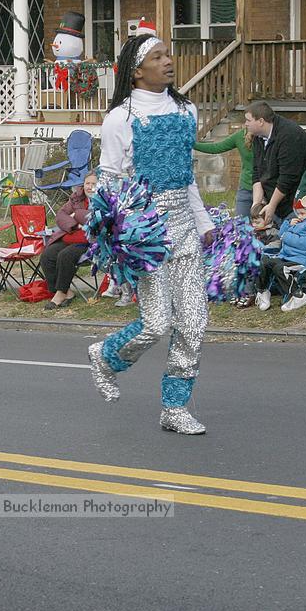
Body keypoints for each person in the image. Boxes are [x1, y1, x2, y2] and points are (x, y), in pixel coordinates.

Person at [87, 34, 214, 435]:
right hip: (147, 234)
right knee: (156, 323)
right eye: (157, 57)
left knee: (194, 323)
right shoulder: (119, 119)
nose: (168, 61)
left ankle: (174, 408)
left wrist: (204, 223)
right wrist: (116, 236)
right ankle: (106, 355)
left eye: (168, 54)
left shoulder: (185, 109)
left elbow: (185, 175)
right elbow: (109, 182)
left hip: (186, 230)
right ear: (136, 70)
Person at [254, 173, 306, 313]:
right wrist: (288, 225)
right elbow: (280, 235)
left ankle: (298, 294)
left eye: (302, 213)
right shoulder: (295, 222)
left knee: (280, 267)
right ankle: (263, 291)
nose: (299, 216)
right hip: (287, 256)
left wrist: (288, 235)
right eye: (298, 213)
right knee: (263, 262)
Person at [246, 101, 306, 227]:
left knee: (296, 237)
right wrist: (257, 205)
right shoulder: (258, 136)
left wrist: (272, 205)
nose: (245, 124)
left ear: (261, 121)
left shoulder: (289, 135)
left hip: (305, 196)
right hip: (282, 196)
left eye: (248, 120)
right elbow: (257, 171)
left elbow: (288, 177)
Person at [42, 172, 96, 310]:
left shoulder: (104, 200)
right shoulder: (76, 199)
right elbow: (60, 216)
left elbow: (96, 220)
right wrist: (77, 224)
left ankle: (60, 294)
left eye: (93, 184)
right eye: (87, 184)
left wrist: (76, 214)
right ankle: (67, 292)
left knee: (65, 256)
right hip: (71, 234)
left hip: (90, 241)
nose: (90, 187)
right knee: (47, 255)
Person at [193, 126, 254, 219]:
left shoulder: (267, 138)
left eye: (249, 120)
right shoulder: (240, 136)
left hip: (267, 189)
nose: (246, 123)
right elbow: (216, 147)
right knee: (241, 224)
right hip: (246, 188)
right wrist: (191, 144)